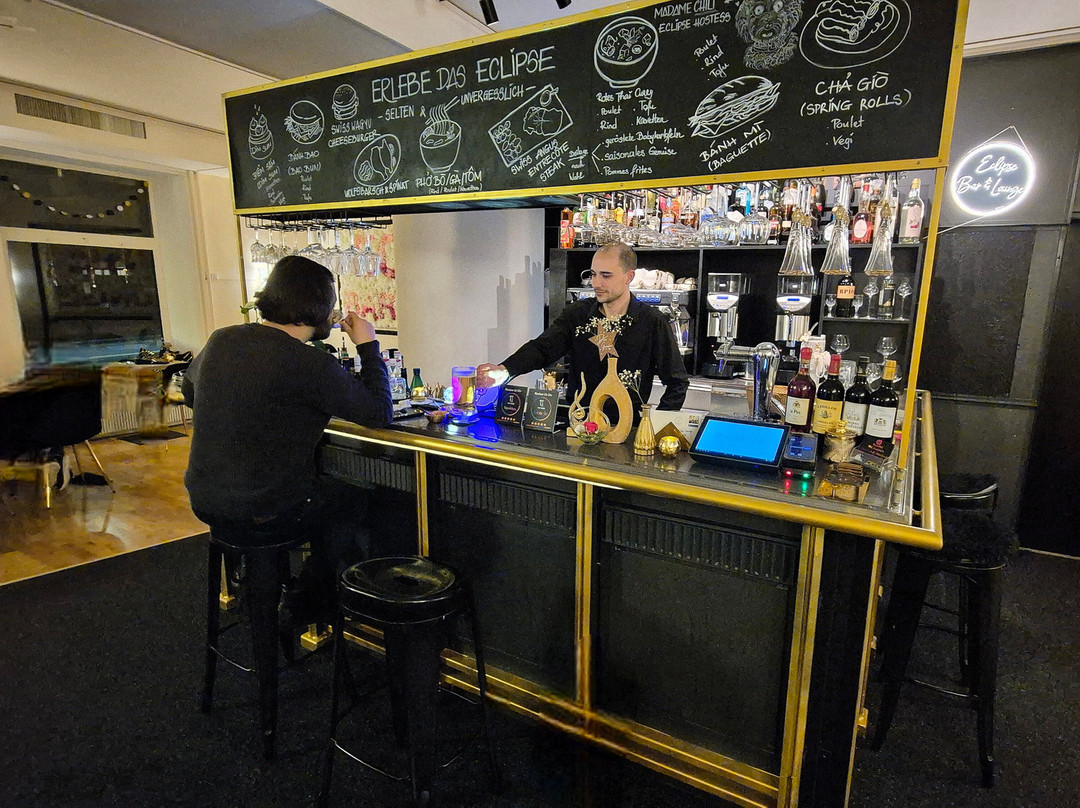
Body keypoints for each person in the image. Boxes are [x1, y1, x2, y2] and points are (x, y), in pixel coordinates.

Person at [182, 255, 392, 622]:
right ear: (317, 309)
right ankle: (305, 600)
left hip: (205, 499)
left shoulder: (222, 338)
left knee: (315, 495)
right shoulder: (310, 364)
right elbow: (378, 413)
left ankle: (262, 581)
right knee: (352, 501)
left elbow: (190, 392)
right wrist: (367, 345)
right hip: (265, 509)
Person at [477, 242, 688, 421]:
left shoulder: (652, 321)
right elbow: (543, 349)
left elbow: (677, 382)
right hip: (578, 424)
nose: (597, 283)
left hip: (627, 429)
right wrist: (505, 369)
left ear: (629, 276)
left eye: (606, 275)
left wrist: (655, 426)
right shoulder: (577, 314)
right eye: (593, 274)